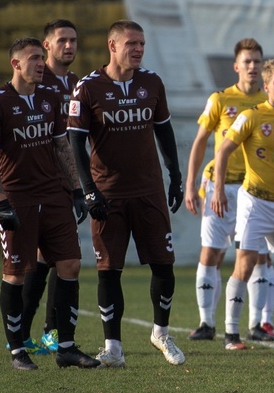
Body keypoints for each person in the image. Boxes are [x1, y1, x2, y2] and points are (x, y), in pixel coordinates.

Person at [68, 19, 186, 368]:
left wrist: (175, 177)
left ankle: (161, 333)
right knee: (109, 270)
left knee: (164, 264)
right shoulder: (88, 88)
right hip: (108, 194)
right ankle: (113, 347)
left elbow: (164, 132)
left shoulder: (151, 83)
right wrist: (88, 191)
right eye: (132, 43)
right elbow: (75, 144)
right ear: (113, 45)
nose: (138, 49)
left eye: (142, 45)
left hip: (148, 191)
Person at [0, 37, 99, 371]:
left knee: (70, 264)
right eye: (33, 59)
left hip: (54, 195)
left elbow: (62, 146)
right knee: (16, 273)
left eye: (40, 59)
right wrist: (1, 201)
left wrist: (76, 189)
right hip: (18, 198)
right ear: (16, 64)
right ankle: (18, 351)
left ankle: (66, 348)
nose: (40, 64)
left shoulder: (49, 98)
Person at [210, 58, 274, 350]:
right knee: (245, 264)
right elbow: (223, 151)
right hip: (256, 202)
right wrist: (218, 190)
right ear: (266, 86)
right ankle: (231, 333)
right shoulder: (251, 115)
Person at [184, 39, 267, 341]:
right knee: (211, 253)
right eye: (247, 61)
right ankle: (207, 323)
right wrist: (191, 185)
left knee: (259, 257)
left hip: (253, 190)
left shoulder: (269, 103)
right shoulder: (220, 100)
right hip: (218, 187)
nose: (253, 66)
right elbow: (200, 141)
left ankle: (259, 324)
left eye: (257, 61)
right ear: (236, 66)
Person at [20, 19, 82, 356]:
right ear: (47, 46)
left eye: (73, 40)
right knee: (38, 261)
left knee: (63, 259)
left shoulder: (79, 84)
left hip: (67, 184)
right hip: (38, 183)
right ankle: (25, 335)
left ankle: (49, 334)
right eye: (62, 41)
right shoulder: (36, 86)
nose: (69, 46)